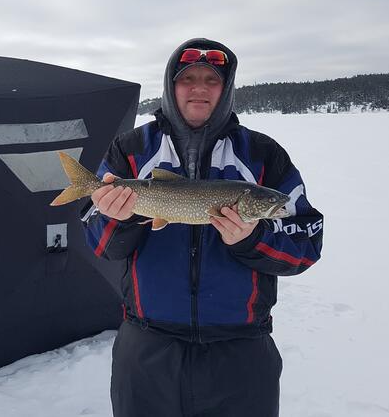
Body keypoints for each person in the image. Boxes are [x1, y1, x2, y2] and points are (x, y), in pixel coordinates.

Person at [80, 38, 324, 417]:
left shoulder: (263, 155)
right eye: (187, 78)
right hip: (146, 348)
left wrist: (253, 238)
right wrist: (117, 217)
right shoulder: (130, 150)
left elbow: (307, 243)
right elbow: (100, 244)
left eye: (211, 80)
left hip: (240, 351)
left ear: (225, 89)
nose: (199, 88)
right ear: (170, 85)